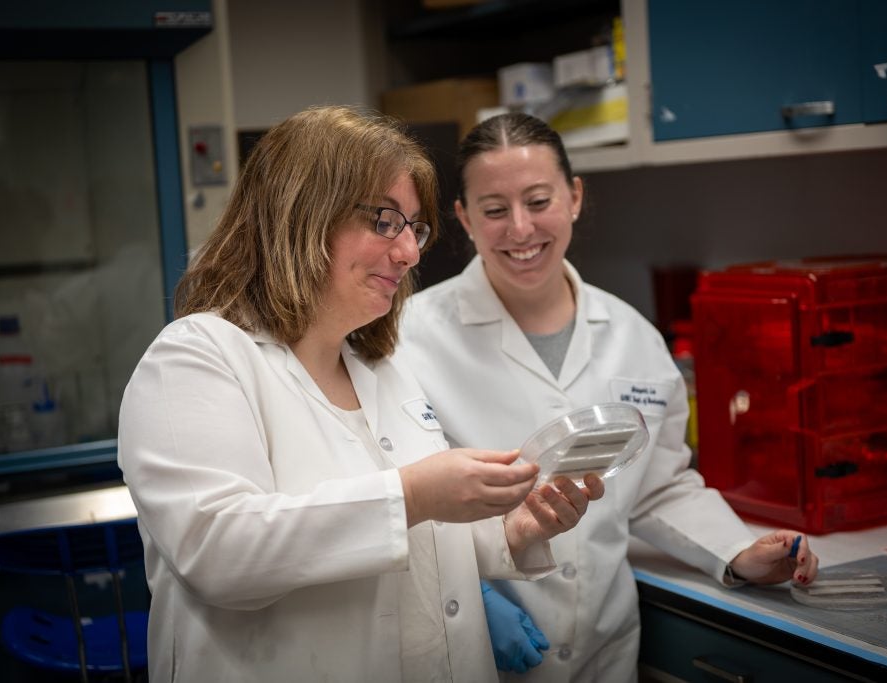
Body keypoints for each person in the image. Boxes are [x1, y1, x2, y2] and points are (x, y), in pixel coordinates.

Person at [117, 106, 604, 683]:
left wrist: (510, 530)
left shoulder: (379, 368)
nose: (410, 253)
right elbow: (217, 552)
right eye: (384, 222)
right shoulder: (197, 356)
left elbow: (412, 539)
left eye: (414, 228)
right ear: (301, 215)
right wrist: (413, 495)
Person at [397, 112, 821, 682]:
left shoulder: (634, 337)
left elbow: (658, 487)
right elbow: (393, 503)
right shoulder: (408, 335)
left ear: (574, 197)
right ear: (464, 218)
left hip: (604, 644)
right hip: (467, 639)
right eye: (495, 210)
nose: (520, 229)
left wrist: (738, 553)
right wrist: (470, 592)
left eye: (539, 200)